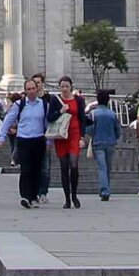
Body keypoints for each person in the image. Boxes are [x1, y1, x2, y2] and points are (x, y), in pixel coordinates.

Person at [1, 74, 60, 209]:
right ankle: (25, 196)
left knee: (37, 170)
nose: (31, 91)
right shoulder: (19, 105)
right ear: (25, 91)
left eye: (33, 88)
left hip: (38, 140)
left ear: (37, 89)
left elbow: (48, 123)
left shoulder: (44, 105)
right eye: (29, 89)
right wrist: (1, 136)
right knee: (25, 169)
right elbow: (9, 119)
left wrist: (49, 141)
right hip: (23, 140)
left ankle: (33, 196)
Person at [49, 76, 87, 209]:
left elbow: (82, 118)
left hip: (74, 134)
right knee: (64, 167)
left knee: (74, 164)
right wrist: (60, 111)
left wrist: (82, 137)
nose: (64, 89)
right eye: (62, 86)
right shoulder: (55, 100)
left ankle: (74, 194)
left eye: (67, 86)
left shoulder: (78, 100)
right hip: (61, 135)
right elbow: (49, 118)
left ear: (71, 87)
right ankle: (67, 198)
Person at [87, 90, 122, 201]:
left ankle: (104, 190)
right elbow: (118, 131)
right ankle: (106, 188)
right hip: (110, 142)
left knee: (102, 167)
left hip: (98, 142)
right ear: (108, 100)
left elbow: (89, 129)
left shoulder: (93, 114)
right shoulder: (113, 114)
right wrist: (114, 137)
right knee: (107, 167)